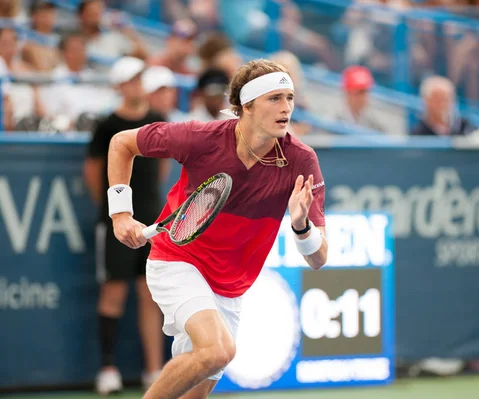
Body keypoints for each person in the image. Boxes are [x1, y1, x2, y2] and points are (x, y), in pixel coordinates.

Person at [105, 59, 328, 399]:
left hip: (230, 286)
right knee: (217, 351)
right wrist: (121, 213)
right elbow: (122, 143)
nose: (287, 108)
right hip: (178, 260)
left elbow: (319, 258)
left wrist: (300, 225)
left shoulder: (301, 160)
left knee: (196, 388)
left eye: (290, 97)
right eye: (275, 98)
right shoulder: (200, 138)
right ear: (247, 106)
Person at [83, 56, 167, 395]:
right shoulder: (107, 125)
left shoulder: (157, 120)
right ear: (119, 86)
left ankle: (153, 371)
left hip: (152, 220)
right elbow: (93, 172)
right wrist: (111, 211)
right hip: (116, 222)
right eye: (130, 80)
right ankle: (108, 369)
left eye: (140, 79)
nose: (136, 85)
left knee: (150, 295)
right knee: (113, 293)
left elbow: (160, 169)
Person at [412, 75, 476, 136]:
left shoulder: (465, 127)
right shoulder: (418, 135)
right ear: (426, 101)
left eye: (447, 99)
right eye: (438, 100)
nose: (443, 104)